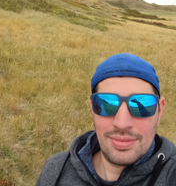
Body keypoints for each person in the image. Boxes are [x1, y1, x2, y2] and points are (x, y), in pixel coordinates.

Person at [35, 53, 176, 186]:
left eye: (142, 102)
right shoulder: (54, 171)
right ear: (92, 108)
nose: (122, 123)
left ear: (160, 110)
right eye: (105, 103)